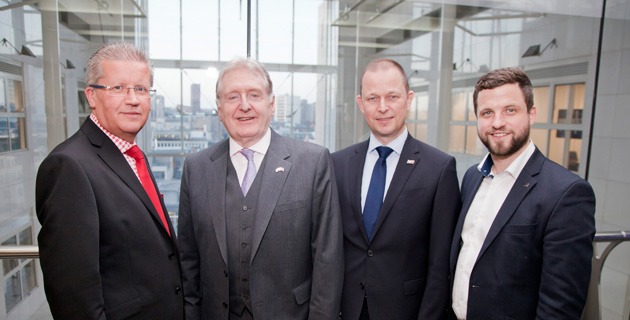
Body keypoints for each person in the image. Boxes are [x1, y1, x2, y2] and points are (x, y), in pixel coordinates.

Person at [177, 57, 344, 320]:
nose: (244, 106)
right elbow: (188, 262)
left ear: (271, 104)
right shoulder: (195, 168)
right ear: (220, 110)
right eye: (233, 97)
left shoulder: (313, 163)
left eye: (254, 94)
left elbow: (328, 261)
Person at [35, 42, 184, 319]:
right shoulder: (69, 166)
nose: (133, 99)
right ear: (91, 96)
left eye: (141, 89)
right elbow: (74, 300)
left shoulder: (131, 155)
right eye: (118, 88)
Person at [449, 67, 596, 319]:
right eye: (487, 113)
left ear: (531, 114)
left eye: (510, 110)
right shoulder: (473, 176)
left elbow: (560, 306)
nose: (497, 122)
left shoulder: (566, 193)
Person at [331, 58, 461, 320]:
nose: (382, 107)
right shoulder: (337, 163)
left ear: (409, 99)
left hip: (406, 311)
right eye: (372, 98)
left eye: (392, 96)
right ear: (360, 104)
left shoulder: (439, 168)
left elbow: (440, 265)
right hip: (347, 310)